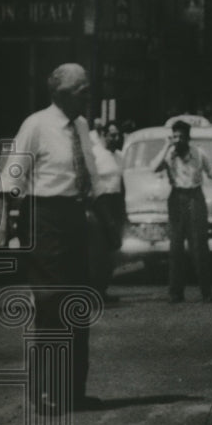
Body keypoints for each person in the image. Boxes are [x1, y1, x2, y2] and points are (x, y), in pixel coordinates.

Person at [0, 63, 102, 414]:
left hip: (74, 218)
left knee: (78, 305)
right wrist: (2, 230)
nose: (88, 95)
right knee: (52, 305)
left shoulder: (82, 126)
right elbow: (10, 182)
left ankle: (73, 391)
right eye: (81, 89)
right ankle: (43, 391)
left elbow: (89, 174)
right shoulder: (36, 125)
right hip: (43, 219)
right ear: (59, 93)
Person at [150, 120, 212, 304]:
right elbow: (153, 167)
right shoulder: (169, 154)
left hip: (194, 198)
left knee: (199, 246)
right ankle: (175, 293)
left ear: (188, 138)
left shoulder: (199, 153)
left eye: (181, 137)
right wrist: (167, 146)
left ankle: (206, 292)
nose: (178, 140)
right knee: (175, 247)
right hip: (176, 198)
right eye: (175, 136)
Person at [87, 120, 125, 304]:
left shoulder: (119, 156)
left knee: (111, 250)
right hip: (101, 204)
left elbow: (121, 182)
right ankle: (94, 292)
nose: (116, 138)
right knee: (98, 250)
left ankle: (103, 290)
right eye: (112, 135)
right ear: (103, 135)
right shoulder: (95, 154)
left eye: (118, 135)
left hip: (116, 202)